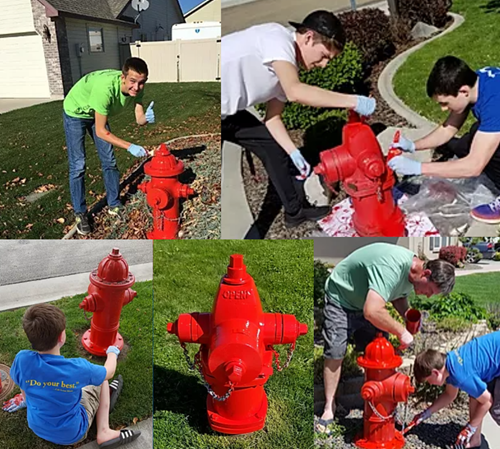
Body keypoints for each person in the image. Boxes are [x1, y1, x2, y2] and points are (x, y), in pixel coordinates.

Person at [221, 10, 376, 228]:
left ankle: (295, 212)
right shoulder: (278, 38)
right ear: (308, 37)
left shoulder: (286, 67)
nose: (323, 65)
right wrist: (353, 101)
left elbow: (272, 119)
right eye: (323, 56)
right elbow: (296, 92)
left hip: (227, 114)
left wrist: (293, 152)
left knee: (272, 147)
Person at [317, 242, 455, 432]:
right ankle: (329, 407)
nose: (428, 296)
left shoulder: (413, 274)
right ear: (427, 274)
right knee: (335, 352)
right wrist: (402, 332)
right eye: (430, 291)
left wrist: (407, 314)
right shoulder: (391, 266)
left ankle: (380, 402)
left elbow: (396, 293)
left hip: (364, 301)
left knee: (381, 353)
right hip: (341, 298)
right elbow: (372, 311)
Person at [2, 303, 140, 448]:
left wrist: (26, 399)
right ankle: (104, 431)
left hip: (37, 427)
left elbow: (22, 384)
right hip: (72, 434)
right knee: (102, 380)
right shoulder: (78, 368)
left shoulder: (22, 359)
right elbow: (109, 372)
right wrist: (112, 353)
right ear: (62, 336)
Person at [388, 56, 500, 224]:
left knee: (482, 155)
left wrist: (418, 168)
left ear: (463, 91)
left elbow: (473, 167)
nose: (443, 109)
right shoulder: (475, 82)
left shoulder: (494, 103)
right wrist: (412, 146)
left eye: (445, 103)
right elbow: (448, 129)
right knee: (471, 141)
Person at [63, 57, 155, 235]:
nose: (136, 87)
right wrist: (129, 146)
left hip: (97, 111)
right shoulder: (105, 90)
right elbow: (100, 130)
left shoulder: (137, 89)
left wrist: (146, 119)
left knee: (109, 161)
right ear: (123, 77)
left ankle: (114, 204)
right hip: (76, 111)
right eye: (132, 82)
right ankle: (80, 213)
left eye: (141, 83)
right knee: (78, 164)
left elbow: (139, 118)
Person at [409, 331, 500, 449]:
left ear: (435, 373)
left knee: (497, 411)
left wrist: (470, 427)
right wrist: (426, 413)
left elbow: (487, 401)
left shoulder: (460, 376)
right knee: (475, 394)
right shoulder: (449, 364)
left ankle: (474, 435)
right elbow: (449, 395)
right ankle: (475, 440)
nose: (430, 384)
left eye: (428, 381)